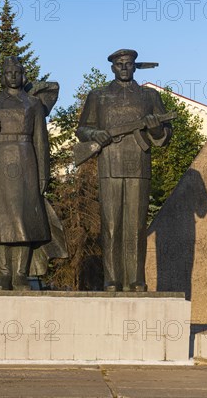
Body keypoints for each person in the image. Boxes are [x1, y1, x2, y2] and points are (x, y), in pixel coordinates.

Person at [76, 49, 172, 292]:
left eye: (128, 64)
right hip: (109, 165)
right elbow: (82, 129)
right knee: (111, 225)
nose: (124, 68)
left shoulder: (148, 96)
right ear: (112, 68)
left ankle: (136, 279)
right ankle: (112, 279)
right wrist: (95, 133)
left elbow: (165, 132)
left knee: (136, 225)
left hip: (139, 165)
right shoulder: (98, 96)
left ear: (134, 66)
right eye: (119, 64)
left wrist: (156, 130)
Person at [0, 57, 51, 290]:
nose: (13, 76)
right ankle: (4, 274)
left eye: (17, 72)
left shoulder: (33, 104)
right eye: (8, 72)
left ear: (23, 75)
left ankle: (20, 274)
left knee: (23, 219)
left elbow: (41, 141)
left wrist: (43, 173)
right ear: (3, 76)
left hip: (26, 160)